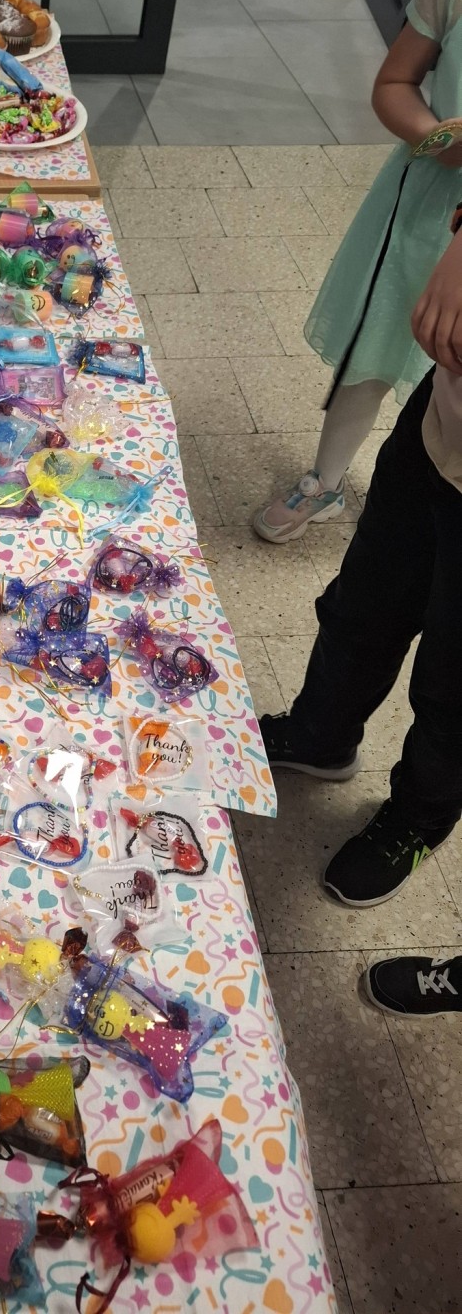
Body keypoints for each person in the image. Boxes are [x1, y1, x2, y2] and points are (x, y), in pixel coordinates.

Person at [258, 216, 462, 1017]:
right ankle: (321, 734)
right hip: (442, 421)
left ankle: (416, 818)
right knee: (365, 602)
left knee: (452, 685)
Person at [252, 0, 462, 544]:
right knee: (376, 341)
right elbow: (395, 83)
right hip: (428, 200)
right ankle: (326, 479)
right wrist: (435, 136)